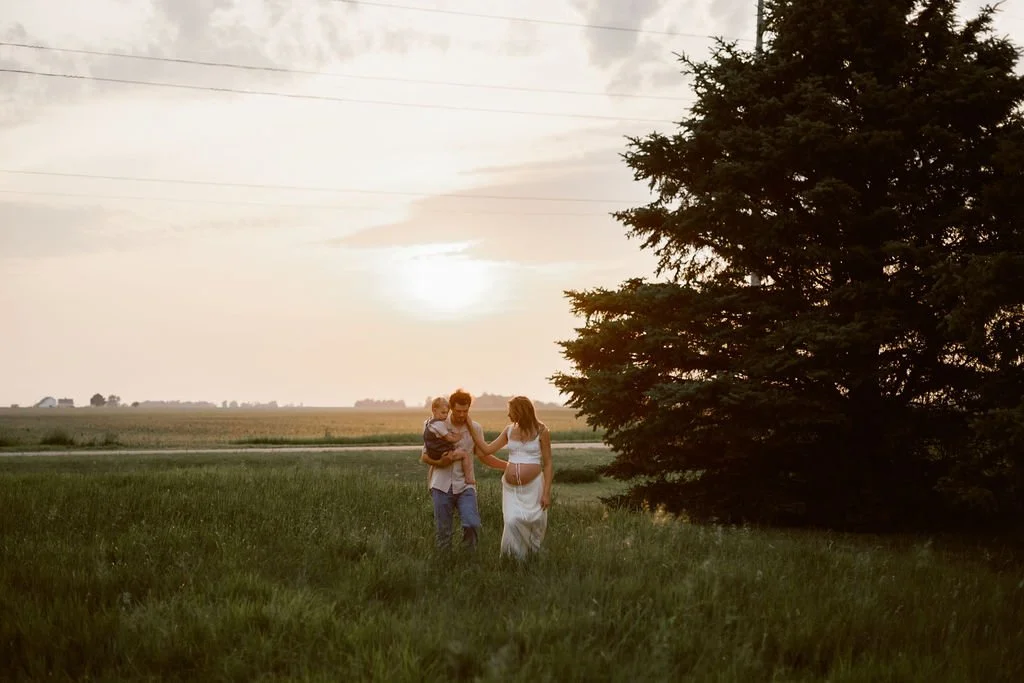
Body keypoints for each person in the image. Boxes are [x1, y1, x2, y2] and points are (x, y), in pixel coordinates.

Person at [469, 396, 553, 560]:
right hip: (511, 489)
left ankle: (530, 556)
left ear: (521, 412)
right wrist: (470, 427)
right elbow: (487, 449)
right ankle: (511, 558)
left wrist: (546, 493)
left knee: (535, 521)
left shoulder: (542, 431)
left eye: (511, 412)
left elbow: (548, 464)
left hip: (533, 487)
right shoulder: (508, 430)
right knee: (511, 521)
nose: (508, 415)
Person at [420, 389, 496, 550]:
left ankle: (469, 557)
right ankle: (445, 560)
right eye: (458, 411)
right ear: (451, 408)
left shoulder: (476, 428)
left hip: (465, 485)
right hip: (441, 485)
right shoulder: (438, 425)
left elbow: (483, 455)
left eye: (465, 411)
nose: (462, 415)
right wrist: (440, 462)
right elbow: (424, 457)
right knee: (443, 531)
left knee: (472, 523)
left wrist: (506, 466)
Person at [423, 396, 476, 486]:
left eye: (447, 413)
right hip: (441, 452)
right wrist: (458, 437)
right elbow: (449, 438)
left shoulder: (429, 423)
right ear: (434, 410)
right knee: (464, 455)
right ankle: (468, 477)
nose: (445, 415)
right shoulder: (439, 424)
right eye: (443, 413)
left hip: (432, 451)